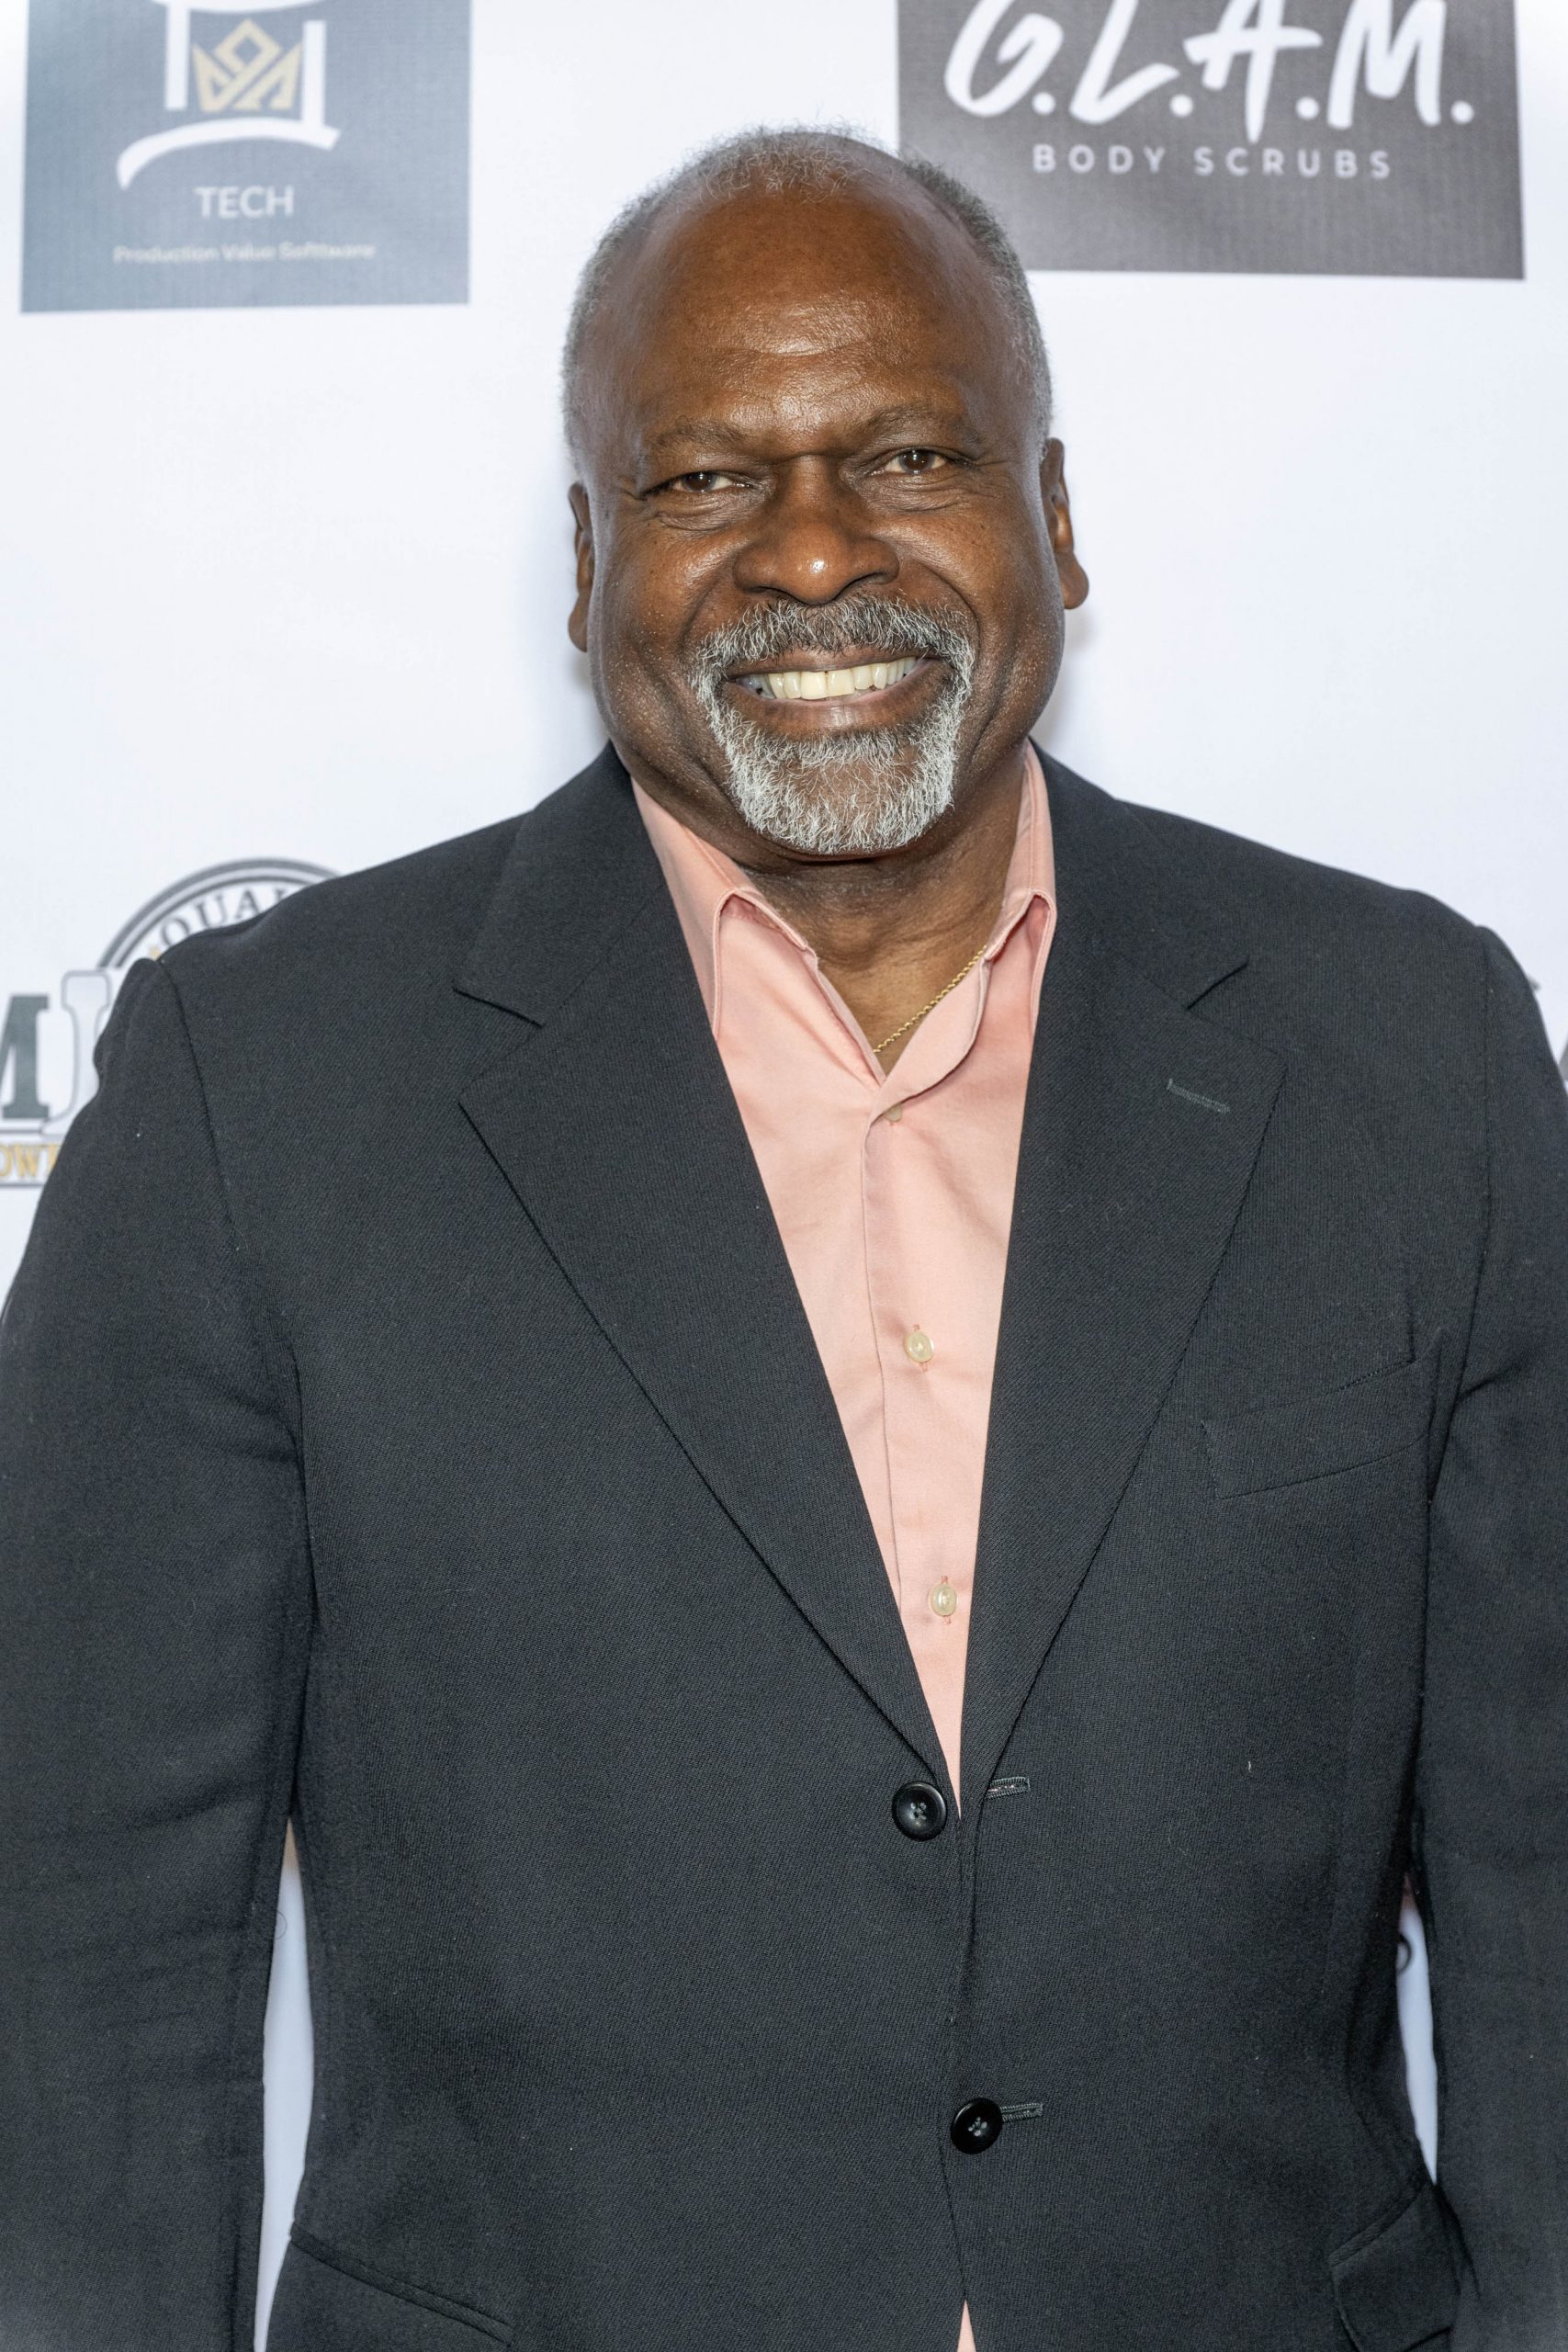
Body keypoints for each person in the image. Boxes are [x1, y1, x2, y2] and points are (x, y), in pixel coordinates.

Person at [2, 123, 1564, 2352]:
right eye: (702, 479)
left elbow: (1537, 1869)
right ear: (582, 564)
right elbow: (93, 1939)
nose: (811, 550)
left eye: (907, 454)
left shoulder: (1411, 1046)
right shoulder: (252, 1087)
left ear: (1054, 516)